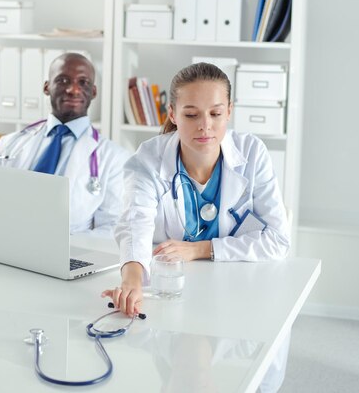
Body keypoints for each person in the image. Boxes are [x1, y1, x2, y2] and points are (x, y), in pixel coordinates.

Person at [102, 62, 290, 391]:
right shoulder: (148, 158)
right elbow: (135, 221)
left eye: (216, 113)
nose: (205, 126)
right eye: (191, 115)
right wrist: (131, 278)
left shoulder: (251, 153)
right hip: (170, 289)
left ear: (229, 111)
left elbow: (277, 239)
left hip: (237, 287)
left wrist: (201, 249)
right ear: (172, 113)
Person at [0, 52, 130, 236]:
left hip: (69, 254)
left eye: (83, 82)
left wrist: (59, 246)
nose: (73, 90)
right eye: (63, 81)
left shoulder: (114, 158)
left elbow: (112, 228)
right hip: (5, 244)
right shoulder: (9, 143)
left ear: (93, 92)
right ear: (46, 87)